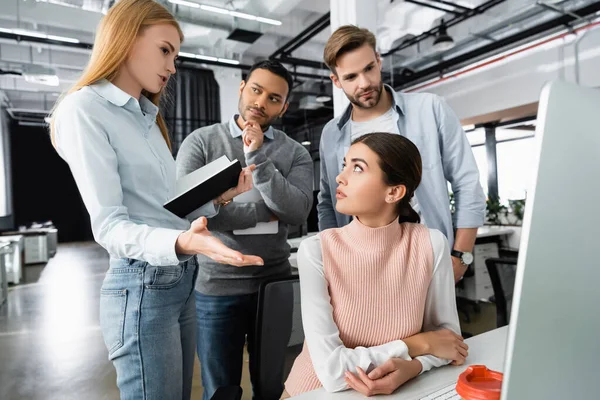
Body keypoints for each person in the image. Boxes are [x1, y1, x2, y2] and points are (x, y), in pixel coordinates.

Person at [49, 0, 262, 398]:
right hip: (142, 283)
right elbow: (109, 226)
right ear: (126, 38)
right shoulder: (85, 109)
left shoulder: (148, 118)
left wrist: (217, 199)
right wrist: (182, 242)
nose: (173, 66)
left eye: (176, 55)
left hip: (179, 278)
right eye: (165, 49)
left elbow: (164, 210)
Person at [284, 133, 467, 398]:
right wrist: (418, 344)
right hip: (315, 391)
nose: (340, 176)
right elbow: (333, 372)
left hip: (403, 390)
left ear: (393, 192)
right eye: (345, 164)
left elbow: (450, 342)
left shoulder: (430, 243)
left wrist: (413, 367)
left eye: (357, 168)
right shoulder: (317, 251)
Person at [176, 60, 313, 400]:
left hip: (274, 283)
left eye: (273, 98)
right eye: (256, 90)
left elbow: (297, 211)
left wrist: (257, 159)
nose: (260, 102)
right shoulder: (202, 142)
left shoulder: (294, 153)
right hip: (216, 287)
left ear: (283, 107)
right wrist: (261, 212)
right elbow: (186, 212)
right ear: (241, 88)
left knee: (271, 386)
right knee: (221, 390)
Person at [317, 25, 486, 282]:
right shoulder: (332, 133)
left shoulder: (430, 109)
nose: (364, 83)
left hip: (431, 259)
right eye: (351, 77)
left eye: (369, 69)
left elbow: (467, 182)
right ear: (336, 81)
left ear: (379, 62)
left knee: (439, 325)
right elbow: (328, 202)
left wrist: (461, 256)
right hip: (361, 267)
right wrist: (335, 259)